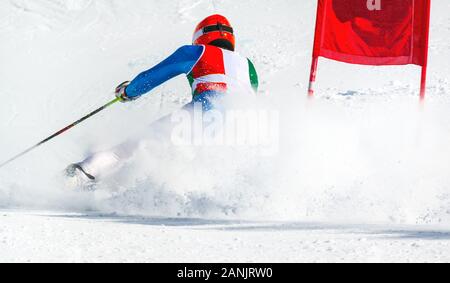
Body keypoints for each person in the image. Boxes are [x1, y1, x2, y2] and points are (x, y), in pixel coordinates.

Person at [66, 14, 259, 184]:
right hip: (242, 127)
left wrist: (128, 91)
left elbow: (151, 77)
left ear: (199, 37)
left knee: (132, 147)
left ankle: (82, 175)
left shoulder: (196, 52)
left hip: (204, 112)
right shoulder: (248, 66)